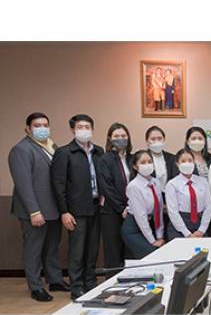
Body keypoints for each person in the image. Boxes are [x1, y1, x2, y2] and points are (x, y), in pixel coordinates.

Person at [8, 112, 68, 302]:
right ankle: (35, 286)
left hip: (53, 208)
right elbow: (23, 184)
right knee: (34, 249)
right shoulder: (21, 150)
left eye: (45, 125)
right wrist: (34, 211)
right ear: (27, 129)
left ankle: (55, 280)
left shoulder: (51, 146)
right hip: (35, 211)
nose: (42, 129)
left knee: (52, 247)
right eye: (37, 125)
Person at [51, 114, 104, 300]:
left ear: (92, 129)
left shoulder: (98, 151)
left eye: (87, 127)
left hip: (96, 207)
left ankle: (90, 283)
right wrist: (64, 212)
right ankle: (77, 286)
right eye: (80, 127)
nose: (84, 130)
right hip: (76, 210)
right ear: (73, 130)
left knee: (92, 249)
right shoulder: (64, 152)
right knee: (77, 251)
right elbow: (58, 185)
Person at [97, 123, 133, 279]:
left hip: (131, 209)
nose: (121, 139)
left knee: (129, 248)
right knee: (113, 249)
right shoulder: (105, 159)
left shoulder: (132, 158)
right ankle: (112, 283)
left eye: (123, 136)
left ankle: (130, 280)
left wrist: (130, 207)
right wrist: (121, 207)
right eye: (117, 136)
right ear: (110, 138)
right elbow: (106, 187)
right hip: (111, 211)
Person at [121, 150, 165, 258]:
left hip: (150, 225)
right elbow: (140, 216)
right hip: (134, 228)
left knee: (161, 253)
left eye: (149, 162)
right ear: (135, 167)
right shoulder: (134, 186)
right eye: (143, 162)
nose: (147, 165)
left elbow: (159, 210)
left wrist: (160, 236)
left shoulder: (155, 182)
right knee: (152, 255)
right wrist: (153, 241)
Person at [165, 149, 211, 240]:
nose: (187, 163)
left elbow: (208, 206)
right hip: (179, 227)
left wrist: (202, 230)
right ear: (177, 164)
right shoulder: (172, 184)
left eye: (190, 160)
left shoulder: (203, 181)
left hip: (200, 225)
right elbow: (173, 212)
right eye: (183, 161)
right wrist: (187, 234)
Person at [145, 125, 179, 193]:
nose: (156, 141)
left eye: (160, 138)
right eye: (153, 139)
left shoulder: (172, 158)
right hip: (149, 195)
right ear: (147, 141)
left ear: (164, 140)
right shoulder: (142, 159)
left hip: (168, 195)